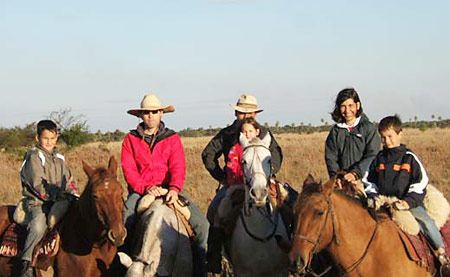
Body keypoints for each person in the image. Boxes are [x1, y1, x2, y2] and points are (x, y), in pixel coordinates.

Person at [203, 94, 296, 273]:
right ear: (236, 113)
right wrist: (222, 176)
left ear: (255, 113)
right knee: (216, 211)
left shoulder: (264, 132)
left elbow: (276, 153)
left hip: (265, 181)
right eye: (242, 112)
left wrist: (270, 172)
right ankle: (214, 259)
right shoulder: (228, 134)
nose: (246, 116)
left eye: (249, 112)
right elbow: (208, 154)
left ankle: (295, 251)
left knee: (294, 202)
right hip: (235, 185)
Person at [121, 94, 209, 277]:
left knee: (202, 225)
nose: (150, 116)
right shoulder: (130, 140)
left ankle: (201, 270)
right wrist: (146, 188)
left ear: (161, 113)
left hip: (169, 189)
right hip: (141, 190)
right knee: (123, 223)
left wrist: (174, 189)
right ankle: (124, 267)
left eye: (154, 112)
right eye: (146, 113)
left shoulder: (172, 138)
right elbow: (129, 170)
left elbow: (178, 166)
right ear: (141, 115)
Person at [362, 115, 450, 270]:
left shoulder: (409, 158)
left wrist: (408, 201)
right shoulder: (379, 159)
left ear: (399, 134)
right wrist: (374, 196)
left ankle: (441, 255)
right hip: (384, 201)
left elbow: (421, 181)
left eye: (390, 136)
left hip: (407, 202)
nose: (387, 141)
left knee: (426, 222)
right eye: (383, 138)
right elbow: (368, 180)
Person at [18, 120, 78, 277]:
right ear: (38, 138)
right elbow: (36, 183)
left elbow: (69, 180)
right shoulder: (34, 157)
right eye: (46, 138)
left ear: (57, 138)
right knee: (38, 225)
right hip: (38, 202)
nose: (49, 142)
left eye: (52, 138)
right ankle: (27, 263)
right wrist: (56, 195)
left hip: (60, 201)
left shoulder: (60, 158)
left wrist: (73, 193)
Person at [325, 88, 381, 184]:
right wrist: (336, 176)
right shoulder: (335, 131)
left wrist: (356, 173)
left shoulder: (368, 128)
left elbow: (372, 154)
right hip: (341, 182)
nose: (347, 110)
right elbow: (331, 157)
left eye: (350, 105)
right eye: (343, 106)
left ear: (357, 105)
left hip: (366, 182)